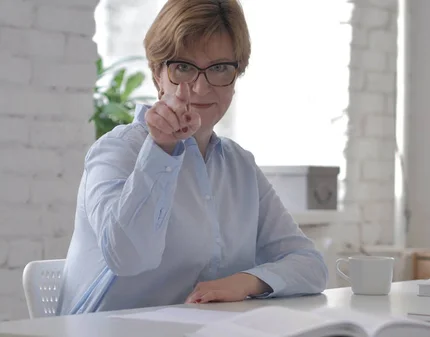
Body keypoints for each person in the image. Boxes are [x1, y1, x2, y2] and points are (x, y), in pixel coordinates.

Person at [56, 0, 328, 315]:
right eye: (183, 66)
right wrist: (161, 150)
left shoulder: (239, 166)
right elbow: (128, 257)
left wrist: (244, 282)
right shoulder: (117, 151)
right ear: (157, 73)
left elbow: (311, 265)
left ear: (237, 75)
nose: (199, 88)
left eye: (219, 68)